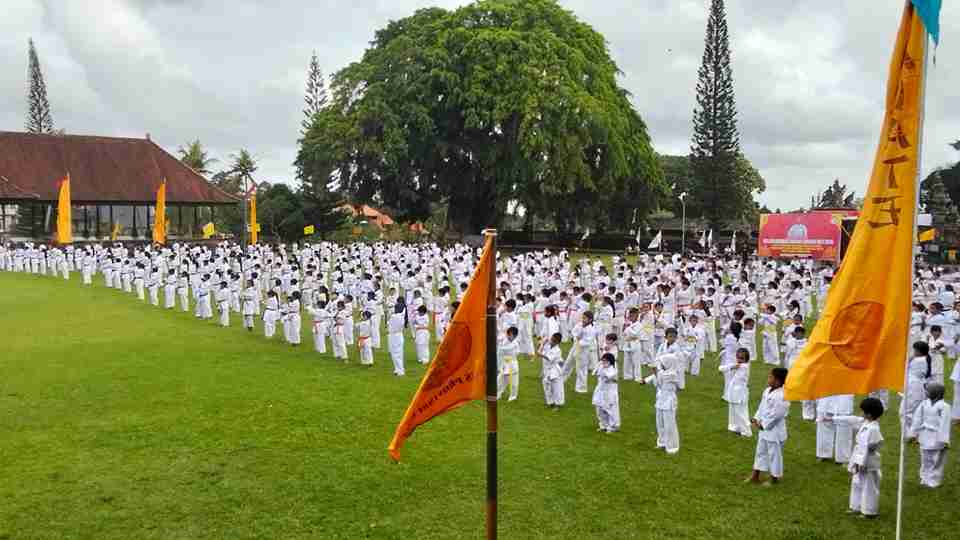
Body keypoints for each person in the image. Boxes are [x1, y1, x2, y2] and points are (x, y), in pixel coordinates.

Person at [830, 397, 885, 518]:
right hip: (859, 457)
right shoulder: (866, 423)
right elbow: (852, 420)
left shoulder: (873, 429)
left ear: (869, 414)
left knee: (869, 486)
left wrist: (859, 464)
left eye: (863, 411)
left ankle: (869, 511)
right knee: (857, 483)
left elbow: (866, 448)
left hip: (868, 462)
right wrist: (832, 419)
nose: (861, 413)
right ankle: (856, 506)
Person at [747, 367, 790, 485]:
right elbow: (762, 407)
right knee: (760, 452)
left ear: (778, 381)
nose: (768, 379)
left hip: (775, 431)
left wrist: (763, 425)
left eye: (771, 377)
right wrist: (756, 418)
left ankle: (774, 478)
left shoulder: (782, 396)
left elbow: (777, 415)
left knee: (774, 454)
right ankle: (755, 475)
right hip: (763, 429)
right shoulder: (767, 391)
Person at [910, 383, 951, 488]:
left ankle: (934, 480)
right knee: (925, 458)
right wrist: (913, 433)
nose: (926, 392)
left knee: (937, 460)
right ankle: (924, 478)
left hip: (937, 436)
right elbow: (917, 418)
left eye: (928, 391)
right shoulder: (924, 404)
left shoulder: (944, 407)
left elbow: (945, 424)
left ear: (936, 394)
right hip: (925, 434)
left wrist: (944, 440)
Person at [642, 352, 680, 454]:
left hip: (669, 399)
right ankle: (662, 442)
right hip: (661, 399)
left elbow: (661, 378)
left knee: (669, 424)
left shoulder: (673, 374)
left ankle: (672, 447)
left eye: (663, 363)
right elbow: (657, 381)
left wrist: (655, 371)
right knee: (660, 422)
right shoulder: (663, 373)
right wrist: (647, 379)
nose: (661, 365)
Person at [903, 341, 933, 438]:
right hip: (915, 387)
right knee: (913, 412)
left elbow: (904, 365)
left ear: (919, 351)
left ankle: (911, 435)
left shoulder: (919, 360)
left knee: (906, 412)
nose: (913, 351)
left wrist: (911, 357)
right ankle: (914, 434)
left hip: (914, 388)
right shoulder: (923, 359)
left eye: (915, 350)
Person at [720, 347, 752, 437]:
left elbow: (722, 368)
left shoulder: (744, 366)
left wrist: (733, 366)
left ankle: (746, 431)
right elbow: (721, 368)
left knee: (741, 412)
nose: (739, 360)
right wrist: (733, 366)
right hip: (734, 393)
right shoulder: (738, 365)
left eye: (742, 358)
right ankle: (736, 428)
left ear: (746, 359)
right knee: (734, 412)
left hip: (740, 394)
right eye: (738, 357)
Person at [816, 394, 854, 464]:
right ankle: (823, 454)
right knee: (824, 423)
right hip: (826, 394)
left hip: (844, 393)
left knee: (844, 427)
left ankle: (843, 458)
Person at [593, 352, 620, 433]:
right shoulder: (601, 367)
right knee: (599, 409)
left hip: (609, 393)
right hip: (600, 391)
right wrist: (600, 365)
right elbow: (594, 373)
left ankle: (613, 426)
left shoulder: (613, 369)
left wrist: (602, 369)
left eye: (606, 361)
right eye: (603, 361)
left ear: (610, 362)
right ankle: (603, 425)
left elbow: (609, 376)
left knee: (610, 410)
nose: (604, 362)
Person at [540, 332, 565, 408]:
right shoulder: (548, 346)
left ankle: (558, 404)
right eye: (551, 339)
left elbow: (548, 358)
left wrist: (540, 354)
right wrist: (542, 343)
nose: (550, 341)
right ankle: (550, 402)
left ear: (557, 342)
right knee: (546, 384)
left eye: (553, 340)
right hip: (547, 369)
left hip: (555, 370)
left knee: (557, 387)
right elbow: (540, 349)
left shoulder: (557, 350)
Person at [498, 327, 520, 401]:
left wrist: (500, 347)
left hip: (512, 363)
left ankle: (513, 396)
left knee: (514, 382)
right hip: (504, 363)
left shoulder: (515, 343)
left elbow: (507, 349)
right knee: (500, 380)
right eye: (508, 334)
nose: (509, 336)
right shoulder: (504, 340)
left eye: (511, 335)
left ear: (515, 336)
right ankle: (498, 393)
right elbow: (500, 352)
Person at [388, 303, 406, 375]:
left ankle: (400, 370)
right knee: (396, 353)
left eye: (396, 308)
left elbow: (388, 323)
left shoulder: (395, 316)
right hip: (398, 335)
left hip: (395, 336)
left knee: (396, 354)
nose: (394, 309)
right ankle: (397, 369)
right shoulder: (401, 315)